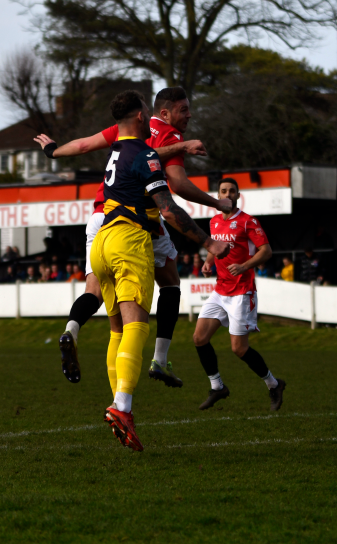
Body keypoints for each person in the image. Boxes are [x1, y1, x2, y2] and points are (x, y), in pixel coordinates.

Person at [35, 86, 227, 389]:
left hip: (100, 217)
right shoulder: (166, 136)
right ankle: (157, 362)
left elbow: (85, 145)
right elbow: (174, 185)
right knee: (168, 284)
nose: (189, 115)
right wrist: (215, 204)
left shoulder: (125, 127)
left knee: (100, 303)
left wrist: (53, 151)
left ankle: (73, 329)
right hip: (135, 220)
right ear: (160, 113)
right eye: (184, 110)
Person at [87, 90, 229, 451]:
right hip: (127, 241)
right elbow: (168, 208)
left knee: (116, 328)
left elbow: (81, 146)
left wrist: (53, 149)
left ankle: (118, 401)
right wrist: (208, 243)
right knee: (137, 325)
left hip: (100, 241)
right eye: (147, 112)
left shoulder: (116, 150)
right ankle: (122, 408)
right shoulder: (146, 153)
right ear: (139, 117)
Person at [197, 178, 285, 411]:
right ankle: (217, 387)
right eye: (223, 191)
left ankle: (274, 384)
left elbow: (266, 251)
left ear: (237, 195)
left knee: (239, 349)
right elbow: (213, 246)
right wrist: (208, 263)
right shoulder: (214, 221)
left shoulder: (248, 222)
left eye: (231, 191)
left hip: (241, 291)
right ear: (219, 195)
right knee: (199, 338)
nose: (227, 194)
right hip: (220, 289)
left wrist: (245, 266)